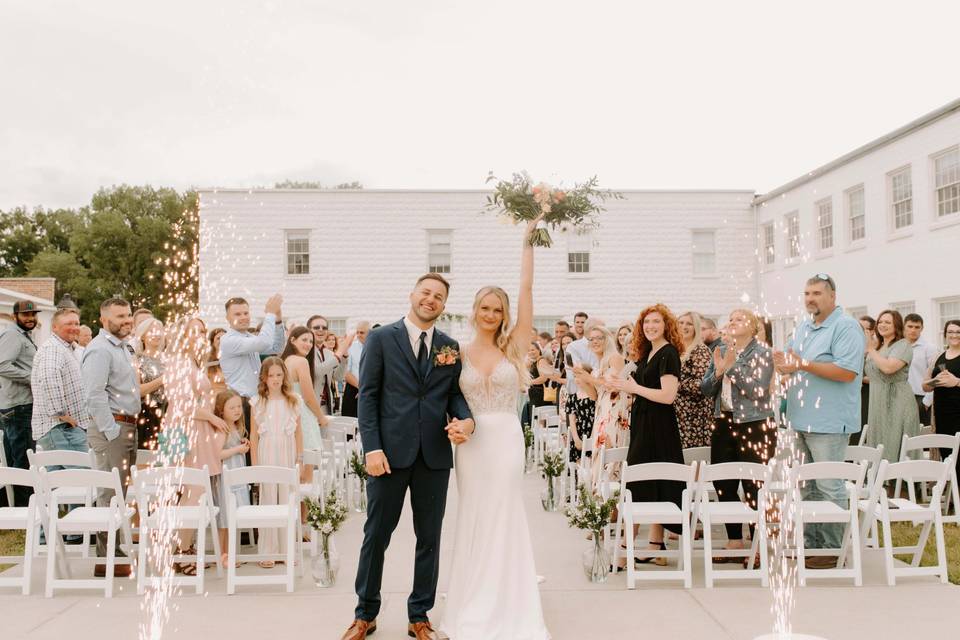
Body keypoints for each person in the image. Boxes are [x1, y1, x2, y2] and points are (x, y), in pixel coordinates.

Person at [344, 273, 475, 640]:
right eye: (426, 292)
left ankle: (420, 616)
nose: (430, 299)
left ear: (444, 305)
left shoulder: (449, 346)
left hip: (433, 457)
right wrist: (371, 447)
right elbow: (367, 397)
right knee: (376, 535)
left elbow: (452, 395)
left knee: (429, 538)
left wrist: (466, 420)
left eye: (438, 296)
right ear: (412, 295)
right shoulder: (382, 338)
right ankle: (364, 614)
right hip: (387, 455)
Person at [440, 217, 549, 640]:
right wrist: (453, 427)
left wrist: (528, 241)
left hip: (504, 438)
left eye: (497, 309)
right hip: (470, 444)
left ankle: (510, 602)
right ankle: (470, 601)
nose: (490, 314)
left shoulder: (515, 344)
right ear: (474, 311)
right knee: (473, 515)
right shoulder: (456, 351)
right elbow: (446, 399)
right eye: (484, 307)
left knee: (503, 512)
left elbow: (526, 291)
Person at [774, 274, 865, 570]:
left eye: (816, 293)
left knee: (829, 486)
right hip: (800, 418)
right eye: (806, 293)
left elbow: (847, 372)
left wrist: (802, 364)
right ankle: (810, 544)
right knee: (806, 487)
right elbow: (791, 356)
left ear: (832, 296)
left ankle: (832, 549)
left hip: (829, 421)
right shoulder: (803, 326)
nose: (810, 298)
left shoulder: (846, 326)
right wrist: (783, 364)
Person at [606, 303, 685, 567]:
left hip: (660, 427)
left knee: (640, 483)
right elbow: (638, 388)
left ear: (666, 326)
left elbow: (668, 395)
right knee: (649, 483)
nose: (650, 326)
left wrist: (635, 388)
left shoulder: (668, 353)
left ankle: (626, 548)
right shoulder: (649, 352)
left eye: (656, 322)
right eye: (646, 322)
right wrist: (624, 387)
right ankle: (655, 545)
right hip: (643, 423)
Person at [701, 308, 776, 565]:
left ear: (753, 327)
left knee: (754, 486)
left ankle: (759, 546)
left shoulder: (763, 353)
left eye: (739, 319)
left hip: (754, 424)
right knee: (724, 483)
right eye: (730, 318)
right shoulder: (720, 349)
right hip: (723, 422)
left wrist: (732, 369)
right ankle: (735, 539)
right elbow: (705, 388)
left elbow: (757, 390)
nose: (732, 321)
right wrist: (719, 371)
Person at [81, 297, 139, 577]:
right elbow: (94, 395)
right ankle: (106, 559)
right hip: (112, 428)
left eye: (128, 315)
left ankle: (114, 552)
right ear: (104, 320)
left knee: (121, 492)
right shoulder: (99, 350)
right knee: (109, 492)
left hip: (127, 425)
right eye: (120, 317)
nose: (127, 320)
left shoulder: (124, 347)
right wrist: (112, 430)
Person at [249, 356, 303, 568]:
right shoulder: (258, 402)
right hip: (267, 451)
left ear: (284, 376)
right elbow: (254, 436)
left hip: (287, 451)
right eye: (271, 376)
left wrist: (300, 458)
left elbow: (298, 433)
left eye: (279, 375)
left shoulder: (293, 400)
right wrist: (254, 465)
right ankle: (268, 550)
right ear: (264, 377)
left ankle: (287, 550)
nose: (275, 379)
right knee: (269, 498)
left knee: (287, 499)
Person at [31, 308, 87, 465]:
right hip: (61, 428)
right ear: (54, 327)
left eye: (76, 323)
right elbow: (49, 379)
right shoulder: (53, 349)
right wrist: (62, 414)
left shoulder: (66, 348)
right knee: (81, 480)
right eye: (69, 323)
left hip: (63, 429)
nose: (75, 327)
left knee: (56, 485)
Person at [219, 295, 285, 424]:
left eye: (246, 313)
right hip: (240, 403)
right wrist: (270, 314)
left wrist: (277, 320)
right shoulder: (228, 340)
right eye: (237, 314)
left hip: (256, 401)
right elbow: (264, 342)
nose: (243, 317)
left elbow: (276, 348)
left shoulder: (249, 337)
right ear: (227, 318)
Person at [864, 309, 919, 462]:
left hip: (897, 402)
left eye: (887, 322)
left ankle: (899, 483)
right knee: (880, 445)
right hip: (877, 402)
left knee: (896, 443)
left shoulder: (903, 345)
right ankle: (881, 482)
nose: (882, 325)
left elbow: (888, 368)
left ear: (897, 325)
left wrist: (870, 349)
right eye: (880, 322)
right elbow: (875, 376)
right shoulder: (879, 347)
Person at [0, 300, 38, 507]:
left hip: (22, 405)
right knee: (22, 458)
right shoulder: (12, 335)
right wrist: (32, 377)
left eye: (33, 314)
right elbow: (2, 365)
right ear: (15, 316)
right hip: (18, 406)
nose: (30, 318)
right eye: (25, 315)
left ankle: (16, 506)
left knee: (21, 456)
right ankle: (24, 510)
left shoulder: (24, 335)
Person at [213, 390, 251, 568]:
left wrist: (242, 444)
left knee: (232, 517)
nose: (237, 410)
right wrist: (237, 450)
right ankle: (222, 554)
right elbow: (218, 454)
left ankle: (229, 552)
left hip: (237, 477)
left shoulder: (237, 428)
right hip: (226, 478)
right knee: (225, 518)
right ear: (222, 411)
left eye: (239, 407)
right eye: (232, 408)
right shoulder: (222, 429)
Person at [280, 326, 329, 452]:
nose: (308, 344)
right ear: (292, 340)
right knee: (307, 466)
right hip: (302, 416)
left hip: (285, 415)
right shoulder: (301, 362)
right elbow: (308, 397)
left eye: (311, 341)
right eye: (304, 340)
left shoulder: (283, 361)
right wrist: (321, 417)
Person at [923, 320, 960, 476]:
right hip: (942, 415)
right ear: (945, 334)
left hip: (959, 413)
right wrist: (935, 381)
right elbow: (925, 386)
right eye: (950, 332)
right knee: (947, 456)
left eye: (958, 332)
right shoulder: (938, 357)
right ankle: (953, 498)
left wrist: (956, 382)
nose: (954, 335)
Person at [675, 311, 713, 448]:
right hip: (676, 413)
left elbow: (702, 384)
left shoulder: (700, 350)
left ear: (695, 328)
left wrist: (676, 385)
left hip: (693, 415)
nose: (684, 326)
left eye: (689, 324)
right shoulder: (675, 349)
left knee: (693, 460)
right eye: (681, 322)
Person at [566, 319, 603, 462]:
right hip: (580, 428)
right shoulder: (574, 347)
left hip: (597, 419)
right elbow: (573, 372)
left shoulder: (606, 350)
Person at [305, 315, 350, 416]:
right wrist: (339, 354)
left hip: (327, 406)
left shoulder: (329, 353)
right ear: (308, 330)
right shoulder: (305, 350)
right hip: (308, 407)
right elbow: (317, 372)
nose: (321, 330)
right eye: (316, 327)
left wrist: (344, 357)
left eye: (324, 328)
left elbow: (338, 377)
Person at [134, 317, 165, 450]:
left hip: (168, 412)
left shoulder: (168, 359)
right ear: (143, 336)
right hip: (148, 413)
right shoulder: (137, 359)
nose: (156, 334)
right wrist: (162, 380)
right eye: (151, 331)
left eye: (159, 330)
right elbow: (138, 390)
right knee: (148, 458)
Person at [904, 313, 939, 426]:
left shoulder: (929, 348)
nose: (913, 330)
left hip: (920, 398)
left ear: (922, 328)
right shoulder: (899, 346)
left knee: (921, 438)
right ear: (904, 326)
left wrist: (926, 401)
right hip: (901, 398)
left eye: (917, 327)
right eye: (910, 326)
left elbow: (937, 376)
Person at [342, 321, 370, 417]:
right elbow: (346, 372)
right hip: (353, 389)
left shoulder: (377, 347)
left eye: (361, 332)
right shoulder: (351, 348)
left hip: (371, 390)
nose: (358, 335)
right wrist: (361, 388)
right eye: (357, 332)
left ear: (369, 332)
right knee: (350, 424)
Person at [858, 315, 876, 430]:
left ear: (872, 331)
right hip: (855, 393)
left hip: (870, 393)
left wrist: (861, 378)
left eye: (863, 329)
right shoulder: (853, 344)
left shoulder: (878, 347)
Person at [207, 327, 227, 394]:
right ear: (212, 342)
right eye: (218, 338)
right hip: (214, 398)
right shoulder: (207, 361)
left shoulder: (233, 360)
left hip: (231, 400)